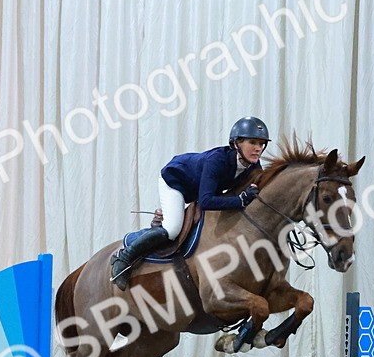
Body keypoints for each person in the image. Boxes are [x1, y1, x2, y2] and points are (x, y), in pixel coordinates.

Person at [110, 116, 270, 289]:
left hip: (198, 187)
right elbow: (206, 201)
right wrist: (240, 201)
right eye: (252, 142)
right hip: (176, 179)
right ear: (236, 143)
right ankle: (124, 257)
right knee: (172, 229)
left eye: (261, 144)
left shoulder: (254, 166)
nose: (258, 148)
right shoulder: (217, 161)